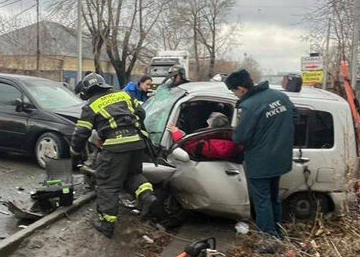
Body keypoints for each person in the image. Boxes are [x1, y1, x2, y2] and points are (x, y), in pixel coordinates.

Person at [70, 73, 156, 238]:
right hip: (137, 144)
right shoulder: (124, 94)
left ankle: (107, 224)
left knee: (107, 184)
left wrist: (74, 153)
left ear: (87, 91)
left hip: (115, 147)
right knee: (132, 175)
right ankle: (147, 196)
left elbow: (81, 134)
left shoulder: (91, 106)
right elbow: (142, 113)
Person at [225, 68, 295, 252]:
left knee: (262, 201)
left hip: (260, 161)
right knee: (274, 197)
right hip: (281, 157)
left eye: (233, 90)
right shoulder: (280, 96)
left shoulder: (250, 106)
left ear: (240, 88)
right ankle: (278, 233)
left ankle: (268, 240)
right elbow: (295, 117)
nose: (234, 93)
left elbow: (239, 138)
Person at [165, 113, 242, 161]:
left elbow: (185, 145)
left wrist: (176, 132)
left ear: (210, 127)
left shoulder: (204, 143)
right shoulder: (237, 140)